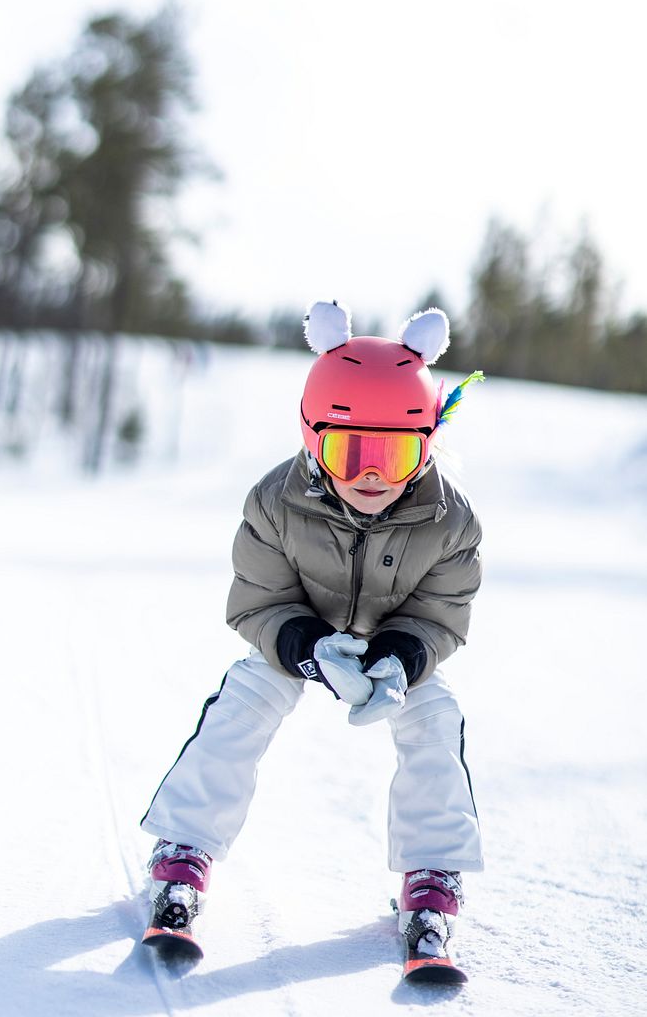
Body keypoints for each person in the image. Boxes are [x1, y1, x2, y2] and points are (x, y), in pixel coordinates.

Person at [140, 301, 484, 958]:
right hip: (300, 636)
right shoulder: (275, 501)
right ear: (312, 436)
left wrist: (401, 658)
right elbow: (257, 599)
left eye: (398, 451)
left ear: (427, 442)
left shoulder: (450, 518)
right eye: (348, 451)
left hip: (391, 645)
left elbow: (443, 612)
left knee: (436, 716)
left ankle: (433, 874)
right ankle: (184, 847)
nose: (372, 476)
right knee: (244, 699)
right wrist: (305, 649)